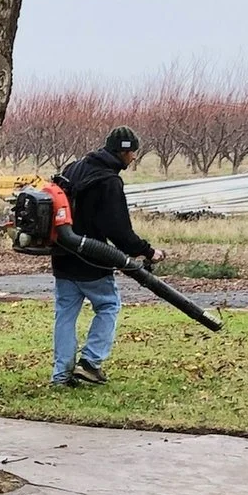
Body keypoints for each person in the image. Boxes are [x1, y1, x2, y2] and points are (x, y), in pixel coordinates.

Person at [50, 125, 156, 387]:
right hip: (92, 259)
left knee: (65, 314)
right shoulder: (109, 181)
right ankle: (90, 363)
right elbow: (119, 232)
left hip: (62, 255)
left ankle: (61, 376)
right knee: (108, 306)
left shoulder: (74, 167)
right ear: (124, 152)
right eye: (133, 154)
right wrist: (146, 250)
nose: (133, 158)